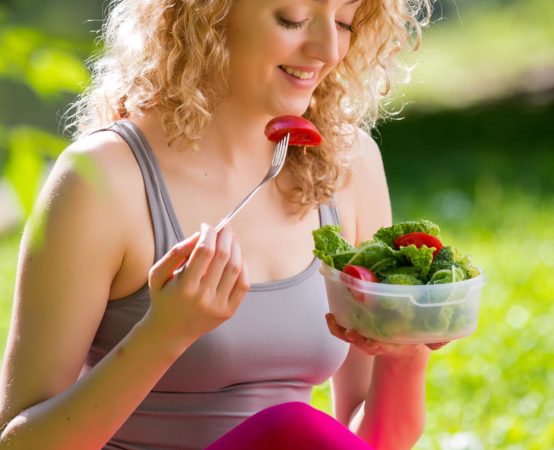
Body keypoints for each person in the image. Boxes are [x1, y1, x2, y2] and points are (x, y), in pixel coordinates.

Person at [0, 0, 445, 448]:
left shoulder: (349, 165)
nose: (329, 49)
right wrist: (163, 335)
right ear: (208, 14)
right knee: (294, 428)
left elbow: (374, 443)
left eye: (345, 22)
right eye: (293, 18)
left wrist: (405, 353)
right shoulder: (103, 179)